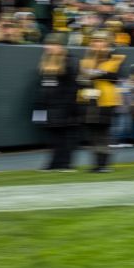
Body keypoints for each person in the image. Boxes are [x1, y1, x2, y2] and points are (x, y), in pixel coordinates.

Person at [77, 31, 125, 172]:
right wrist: (84, 78)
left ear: (107, 43)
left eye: (100, 41)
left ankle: (104, 164)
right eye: (94, 41)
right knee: (92, 133)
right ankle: (96, 164)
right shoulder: (85, 60)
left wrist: (100, 73)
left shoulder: (116, 59)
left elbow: (117, 77)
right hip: (88, 98)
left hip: (106, 100)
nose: (97, 44)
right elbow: (80, 79)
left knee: (103, 133)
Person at [35, 36, 80, 172]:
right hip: (48, 106)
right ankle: (54, 163)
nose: (47, 47)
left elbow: (73, 87)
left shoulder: (70, 61)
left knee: (65, 136)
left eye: (52, 44)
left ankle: (66, 164)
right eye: (47, 44)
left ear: (61, 46)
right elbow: (41, 87)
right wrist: (38, 109)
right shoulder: (45, 62)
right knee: (53, 137)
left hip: (65, 107)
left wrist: (68, 107)